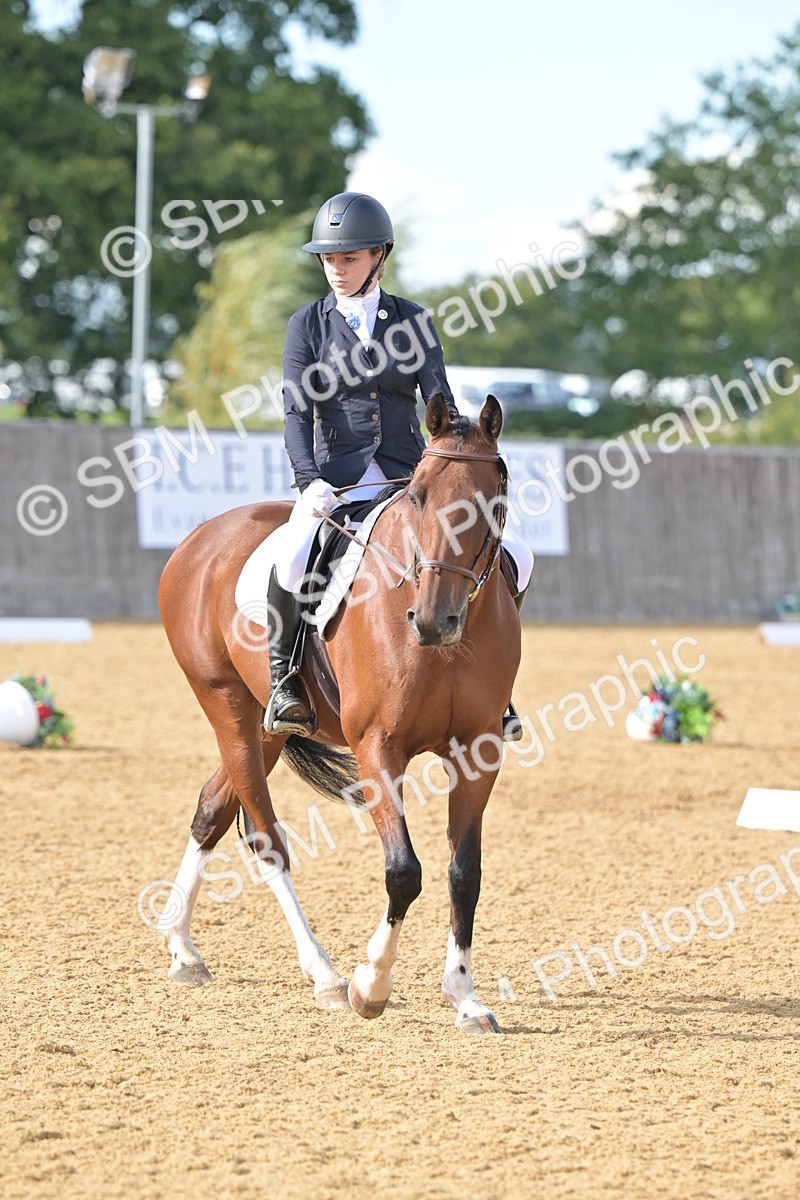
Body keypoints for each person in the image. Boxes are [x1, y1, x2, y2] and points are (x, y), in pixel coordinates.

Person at [261, 191, 533, 737]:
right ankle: (285, 681)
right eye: (330, 260)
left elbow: (440, 401)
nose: (337, 270)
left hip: (409, 479)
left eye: (349, 258)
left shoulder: (412, 321)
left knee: (517, 557)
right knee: (291, 557)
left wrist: (456, 460)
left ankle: (495, 691)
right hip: (335, 481)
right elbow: (297, 414)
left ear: (379, 256)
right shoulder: (307, 326)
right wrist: (308, 481)